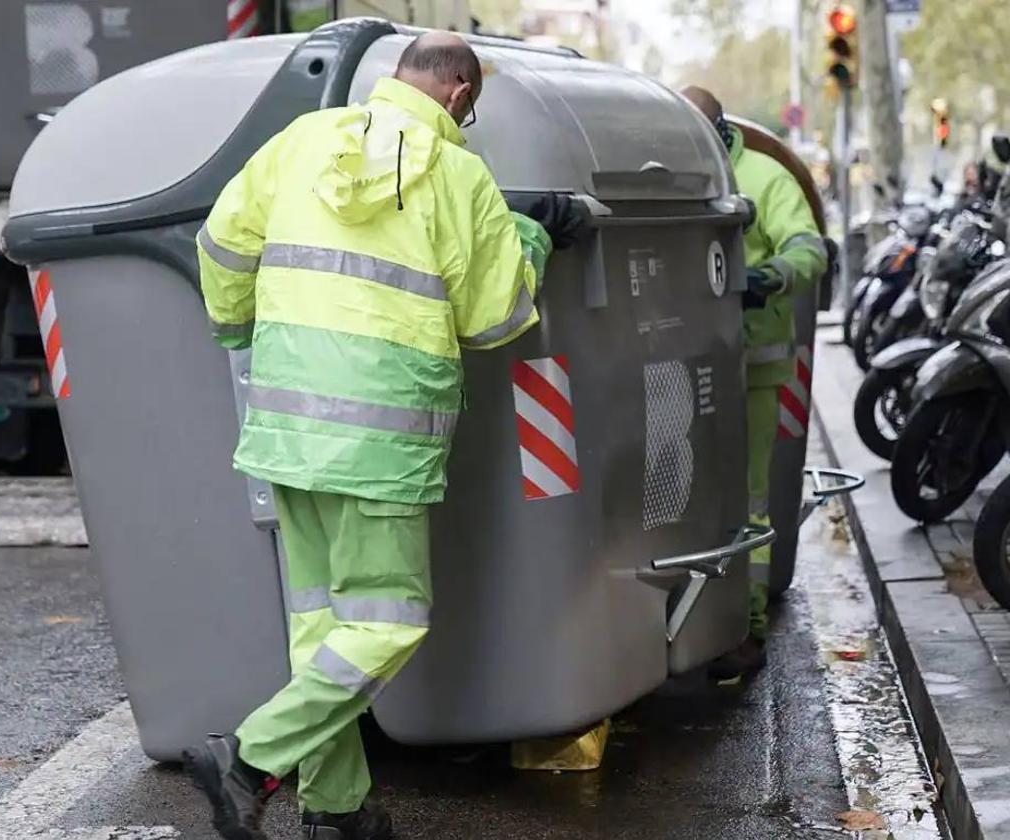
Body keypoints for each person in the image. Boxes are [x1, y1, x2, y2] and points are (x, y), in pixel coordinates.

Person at [187, 31, 585, 840]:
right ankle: (250, 758)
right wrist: (533, 237)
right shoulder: (459, 174)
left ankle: (334, 808)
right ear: (460, 97)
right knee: (388, 623)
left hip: (288, 427)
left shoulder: (300, 142)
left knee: (322, 627)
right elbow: (496, 317)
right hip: (382, 441)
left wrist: (238, 328)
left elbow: (221, 243)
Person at [681, 86, 828, 679]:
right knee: (695, 496)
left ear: (719, 134)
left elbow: (809, 246)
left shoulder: (763, 177)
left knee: (750, 497)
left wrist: (773, 274)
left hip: (757, 365)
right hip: (688, 368)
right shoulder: (675, 175)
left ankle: (747, 625)